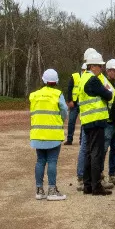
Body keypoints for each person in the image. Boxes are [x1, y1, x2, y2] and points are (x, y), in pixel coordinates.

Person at [78, 48, 115, 195]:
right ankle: (96, 186)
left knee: (88, 152)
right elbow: (108, 95)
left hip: (88, 121)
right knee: (96, 154)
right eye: (100, 66)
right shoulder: (93, 80)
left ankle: (88, 185)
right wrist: (109, 92)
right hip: (96, 121)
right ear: (92, 66)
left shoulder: (83, 79)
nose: (101, 68)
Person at [29, 67, 68, 200]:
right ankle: (52, 190)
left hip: (38, 133)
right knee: (52, 161)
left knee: (40, 160)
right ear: (56, 81)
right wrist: (60, 120)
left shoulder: (34, 95)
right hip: (53, 134)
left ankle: (39, 190)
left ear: (44, 81)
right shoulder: (58, 94)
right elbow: (64, 111)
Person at [65, 63, 85, 146]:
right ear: (82, 70)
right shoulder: (75, 76)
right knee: (71, 121)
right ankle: (69, 139)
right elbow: (69, 89)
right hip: (75, 103)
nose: (85, 72)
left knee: (83, 123)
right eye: (84, 70)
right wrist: (70, 101)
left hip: (84, 103)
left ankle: (82, 140)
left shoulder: (89, 77)